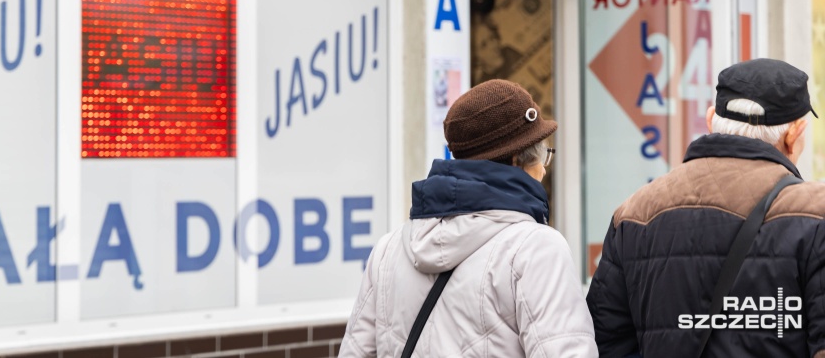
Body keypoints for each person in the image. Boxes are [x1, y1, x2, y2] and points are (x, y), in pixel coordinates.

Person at [339, 80, 598, 357]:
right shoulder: (536, 249)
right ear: (515, 161)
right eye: (541, 158)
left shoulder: (387, 251)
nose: (544, 171)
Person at [587, 58, 825, 357]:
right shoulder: (816, 213)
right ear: (794, 134)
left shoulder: (634, 213)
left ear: (711, 119)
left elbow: (606, 343)